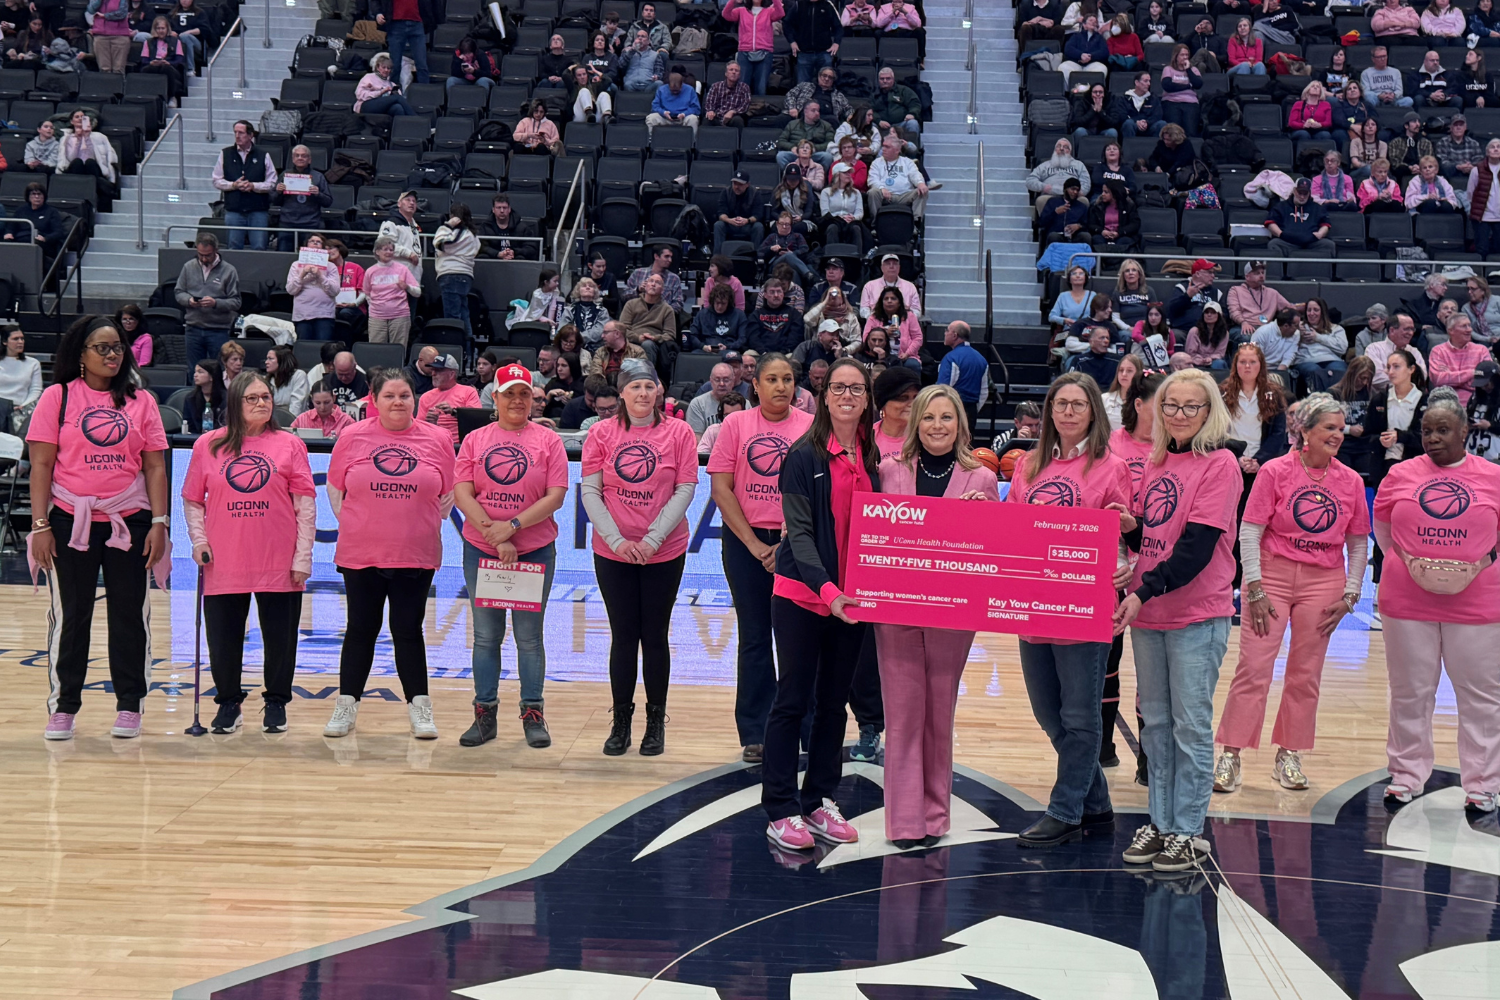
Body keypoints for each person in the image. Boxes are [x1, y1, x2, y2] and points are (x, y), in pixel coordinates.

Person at [1114, 369, 1241, 871]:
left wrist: (1143, 590)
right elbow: (1158, 536)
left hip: (1194, 614)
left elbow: (1195, 549)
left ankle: (1188, 830)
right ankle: (1161, 822)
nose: (1181, 415)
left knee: (1190, 726)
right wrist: (1133, 529)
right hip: (1151, 613)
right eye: (1172, 406)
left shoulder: (1222, 464)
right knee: (1157, 725)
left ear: (1210, 412)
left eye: (1192, 406)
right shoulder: (1158, 460)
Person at [1214, 393, 1369, 794]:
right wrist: (1254, 586)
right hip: (1272, 578)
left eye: (1340, 428)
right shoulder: (1275, 471)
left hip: (1325, 581)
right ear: (1305, 431)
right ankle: (1231, 754)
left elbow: (1357, 542)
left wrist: (1352, 593)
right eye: (1329, 428)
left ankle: (1290, 754)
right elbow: (1250, 529)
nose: (1338, 435)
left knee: (1306, 673)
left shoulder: (1350, 480)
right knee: (1254, 667)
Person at [1005, 373, 1130, 846]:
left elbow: (1126, 531)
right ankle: (1095, 802)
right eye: (1060, 404)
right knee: (1048, 712)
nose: (1069, 413)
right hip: (1032, 603)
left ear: (1093, 411)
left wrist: (1126, 565)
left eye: (1078, 404)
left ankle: (1066, 809)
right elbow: (1012, 530)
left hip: (1084, 605)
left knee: (1079, 716)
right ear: (1049, 411)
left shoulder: (1111, 466)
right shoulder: (1029, 466)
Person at [31, 316, 169, 741]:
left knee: (129, 615)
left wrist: (160, 522)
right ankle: (64, 706)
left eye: (118, 348)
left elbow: (154, 466)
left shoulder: (140, 401)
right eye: (102, 348)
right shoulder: (58, 397)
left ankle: (130, 704)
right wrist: (40, 525)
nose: (112, 355)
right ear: (81, 354)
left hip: (129, 518)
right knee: (72, 615)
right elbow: (41, 464)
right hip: (71, 518)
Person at [761, 357, 877, 850]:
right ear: (824, 396)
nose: (848, 395)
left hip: (853, 603)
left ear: (866, 399)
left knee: (833, 705)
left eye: (857, 388)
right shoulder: (802, 455)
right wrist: (828, 593)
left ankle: (818, 801)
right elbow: (800, 537)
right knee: (793, 701)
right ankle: (780, 808)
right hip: (804, 598)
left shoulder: (876, 456)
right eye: (839, 387)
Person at [1373, 388, 1500, 811]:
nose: (1433, 439)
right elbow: (1384, 528)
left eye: (1443, 430)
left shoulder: (1493, 476)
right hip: (1407, 602)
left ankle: (1483, 784)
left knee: (1480, 696)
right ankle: (1406, 775)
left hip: (1479, 605)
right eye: (1427, 431)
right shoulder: (1401, 474)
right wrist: (1415, 565)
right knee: (1410, 691)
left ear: (1464, 431)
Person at [323, 370, 454, 741]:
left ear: (416, 400)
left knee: (408, 631)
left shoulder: (439, 439)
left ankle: (420, 710)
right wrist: (363, 523)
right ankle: (345, 706)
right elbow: (336, 490)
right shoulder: (351, 436)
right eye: (389, 396)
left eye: (405, 396)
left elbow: (446, 496)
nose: (398, 402)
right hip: (361, 552)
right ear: (374, 400)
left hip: (415, 553)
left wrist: (413, 521)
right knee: (360, 630)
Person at [182, 371, 315, 735]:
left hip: (278, 558)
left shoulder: (290, 445)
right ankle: (228, 702)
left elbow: (305, 506)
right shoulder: (208, 445)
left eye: (266, 397)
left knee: (280, 638)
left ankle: (276, 703)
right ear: (235, 403)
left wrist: (303, 557)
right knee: (223, 638)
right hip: (225, 558)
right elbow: (193, 500)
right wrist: (198, 541)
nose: (261, 403)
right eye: (252, 398)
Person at [581, 359, 697, 756]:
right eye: (635, 388)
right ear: (622, 393)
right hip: (613, 552)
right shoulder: (600, 433)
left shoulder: (679, 432)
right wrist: (616, 541)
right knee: (624, 636)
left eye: (649, 386)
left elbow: (684, 490)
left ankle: (654, 722)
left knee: (655, 636)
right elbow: (591, 492)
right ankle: (621, 722)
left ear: (659, 389)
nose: (643, 394)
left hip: (663, 551)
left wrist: (652, 539)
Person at [452, 363, 569, 749]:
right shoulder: (475, 440)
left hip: (534, 549)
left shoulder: (548, 441)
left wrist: (512, 527)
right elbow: (463, 492)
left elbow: (555, 496)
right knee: (486, 637)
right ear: (495, 398)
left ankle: (532, 713)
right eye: (510, 393)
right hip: (482, 549)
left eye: (525, 394)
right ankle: (484, 714)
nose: (518, 400)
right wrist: (494, 532)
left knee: (529, 638)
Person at [707, 353, 812, 763]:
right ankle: (756, 730)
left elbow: (814, 492)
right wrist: (755, 546)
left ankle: (804, 727)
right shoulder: (735, 425)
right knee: (754, 637)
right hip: (745, 543)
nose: (781, 387)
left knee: (800, 641)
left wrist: (787, 544)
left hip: (799, 542)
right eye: (772, 379)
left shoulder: (809, 426)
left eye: (788, 379)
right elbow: (721, 489)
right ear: (756, 384)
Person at [175, 232, 240, 368]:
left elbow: (236, 302)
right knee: (194, 371)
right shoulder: (188, 267)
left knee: (221, 370)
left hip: (218, 330)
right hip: (193, 328)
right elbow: (179, 292)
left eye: (208, 255)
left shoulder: (229, 271)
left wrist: (215, 303)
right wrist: (189, 300)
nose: (204, 259)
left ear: (216, 250)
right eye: (200, 255)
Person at [209, 121, 276, 250]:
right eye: (235, 132)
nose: (237, 136)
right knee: (234, 247)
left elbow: (272, 183)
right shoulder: (225, 153)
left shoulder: (263, 155)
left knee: (259, 247)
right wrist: (233, 185)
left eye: (241, 133)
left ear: (250, 135)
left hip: (258, 210)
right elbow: (216, 180)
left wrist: (253, 186)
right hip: (234, 210)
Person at [364, 236, 422, 349]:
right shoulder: (370, 271)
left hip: (400, 316)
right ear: (377, 251)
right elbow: (367, 293)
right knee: (375, 349)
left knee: (398, 349)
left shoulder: (402, 269)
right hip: (377, 317)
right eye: (385, 249)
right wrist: (376, 306)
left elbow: (417, 292)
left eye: (391, 250)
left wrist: (407, 287)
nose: (389, 252)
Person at [433, 202, 480, 338]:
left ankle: (455, 348)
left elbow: (439, 243)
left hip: (452, 275)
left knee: (452, 318)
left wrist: (447, 226)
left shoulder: (458, 233)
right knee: (463, 316)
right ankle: (467, 351)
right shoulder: (472, 235)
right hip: (463, 277)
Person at [274, 145, 332, 252]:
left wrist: (318, 194)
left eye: (304, 156)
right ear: (293, 159)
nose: (300, 158)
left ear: (309, 159)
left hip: (310, 224)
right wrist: (278, 192)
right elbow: (274, 201)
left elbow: (328, 202)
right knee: (282, 259)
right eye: (297, 156)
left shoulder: (318, 177)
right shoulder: (285, 175)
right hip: (287, 224)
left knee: (310, 259)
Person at [286, 233, 339, 344]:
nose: (315, 243)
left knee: (323, 347)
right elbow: (290, 290)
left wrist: (320, 276)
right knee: (304, 347)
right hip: (302, 315)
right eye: (312, 241)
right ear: (306, 245)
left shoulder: (331, 266)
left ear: (323, 247)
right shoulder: (295, 265)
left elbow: (335, 291)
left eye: (318, 242)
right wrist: (302, 274)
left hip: (325, 314)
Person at [417, 354, 481, 446]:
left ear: (452, 374)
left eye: (438, 370)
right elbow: (418, 429)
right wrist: (429, 423)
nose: (433, 374)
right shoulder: (425, 397)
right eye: (433, 370)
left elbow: (476, 420)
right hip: (433, 444)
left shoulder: (468, 392)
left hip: (460, 445)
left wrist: (454, 412)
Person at [721, 0, 782, 95]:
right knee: (742, 87)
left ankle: (759, 109)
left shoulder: (769, 11)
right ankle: (741, 109)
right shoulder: (741, 10)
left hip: (765, 52)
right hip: (744, 51)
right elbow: (726, 15)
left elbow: (780, 13)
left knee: (761, 87)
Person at [867, 131, 930, 222]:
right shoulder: (877, 163)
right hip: (885, 195)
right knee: (873, 192)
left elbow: (915, 175)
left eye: (887, 147)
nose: (883, 149)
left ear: (897, 150)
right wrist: (881, 188)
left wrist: (920, 183)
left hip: (904, 195)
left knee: (922, 191)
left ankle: (915, 223)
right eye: (883, 146)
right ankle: (875, 223)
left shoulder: (907, 162)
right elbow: (872, 180)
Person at [1430, 312, 1490, 407]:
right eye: (1464, 326)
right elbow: (1439, 380)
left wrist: (1451, 378)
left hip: (1476, 404)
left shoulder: (1482, 350)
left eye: (1469, 326)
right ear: (1451, 331)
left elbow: (1487, 381)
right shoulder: (1438, 351)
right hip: (1446, 404)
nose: (1469, 330)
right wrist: (1473, 372)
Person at [937, 321, 987, 429]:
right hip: (972, 410)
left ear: (954, 335)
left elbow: (942, 389)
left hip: (953, 409)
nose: (945, 333)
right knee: (968, 443)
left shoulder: (951, 358)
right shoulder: (981, 359)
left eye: (947, 330)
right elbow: (984, 392)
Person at [1293, 297, 1350, 392]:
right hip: (1307, 361)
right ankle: (1318, 403)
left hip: (1332, 360)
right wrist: (1297, 334)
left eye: (1316, 310)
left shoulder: (1336, 328)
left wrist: (1318, 338)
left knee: (1339, 370)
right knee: (1314, 371)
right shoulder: (1298, 327)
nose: (1311, 313)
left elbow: (1342, 349)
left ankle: (1336, 402)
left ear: (1322, 312)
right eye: (1309, 310)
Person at [1266, 178, 1334, 256]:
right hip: (1287, 242)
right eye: (1299, 193)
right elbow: (1271, 222)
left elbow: (1325, 224)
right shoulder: (1281, 206)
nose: (1302, 196)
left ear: (1309, 193)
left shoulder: (1318, 208)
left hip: (1312, 242)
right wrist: (1280, 234)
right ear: (1294, 191)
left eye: (1305, 193)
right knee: (1274, 244)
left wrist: (1320, 234)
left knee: (1328, 245)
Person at [372, 0, 434, 85]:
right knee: (395, 65)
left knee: (421, 64)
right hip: (395, 24)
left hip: (417, 23)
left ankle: (423, 93)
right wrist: (378, 13)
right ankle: (393, 92)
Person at [784, 0, 842, 85]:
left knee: (826, 86)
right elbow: (787, 24)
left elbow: (838, 27)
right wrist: (792, 41)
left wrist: (836, 43)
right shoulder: (798, 5)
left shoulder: (828, 5)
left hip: (824, 52)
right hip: (804, 52)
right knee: (803, 87)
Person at [714, 170, 766, 254]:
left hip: (747, 225)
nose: (737, 187)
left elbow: (758, 214)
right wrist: (729, 220)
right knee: (718, 225)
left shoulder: (755, 194)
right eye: (735, 184)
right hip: (730, 224)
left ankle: (757, 257)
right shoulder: (726, 192)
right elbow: (721, 213)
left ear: (747, 184)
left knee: (758, 227)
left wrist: (747, 220)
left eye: (740, 184)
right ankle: (717, 257)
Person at [137, 16, 185, 106]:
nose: (161, 31)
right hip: (153, 65)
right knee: (148, 69)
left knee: (166, 68)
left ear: (167, 29)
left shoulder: (175, 41)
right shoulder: (148, 42)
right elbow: (144, 59)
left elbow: (179, 59)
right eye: (158, 28)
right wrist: (151, 63)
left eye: (163, 28)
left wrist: (169, 63)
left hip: (170, 66)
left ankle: (172, 97)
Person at [478, 194, 540, 262]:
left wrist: (514, 252)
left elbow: (531, 248)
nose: (502, 211)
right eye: (498, 208)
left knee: (521, 258)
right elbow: (481, 247)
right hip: (493, 260)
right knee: (483, 257)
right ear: (493, 210)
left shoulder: (522, 228)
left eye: (504, 208)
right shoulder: (485, 227)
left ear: (509, 209)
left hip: (515, 260)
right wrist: (497, 254)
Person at [1158, 44, 1203, 136]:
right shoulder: (1168, 69)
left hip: (1190, 103)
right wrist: (1188, 86)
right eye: (1182, 55)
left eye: (1187, 55)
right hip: (1171, 101)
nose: (1185, 57)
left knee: (1191, 131)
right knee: (1174, 132)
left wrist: (1188, 70)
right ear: (1176, 56)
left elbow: (1198, 84)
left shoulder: (1193, 70)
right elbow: (1168, 86)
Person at [16, 182, 66, 260]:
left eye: (39, 194)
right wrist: (9, 233)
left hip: (43, 243)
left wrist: (45, 238)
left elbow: (58, 232)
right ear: (28, 196)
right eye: (33, 194)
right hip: (22, 240)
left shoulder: (51, 211)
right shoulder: (21, 210)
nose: (36, 197)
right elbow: (11, 227)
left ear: (44, 196)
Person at [646, 71, 700, 136]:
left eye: (677, 90)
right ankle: (650, 142)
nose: (675, 92)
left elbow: (696, 108)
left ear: (681, 84)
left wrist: (684, 114)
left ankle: (692, 143)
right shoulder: (661, 90)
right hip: (665, 118)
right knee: (651, 118)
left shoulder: (690, 90)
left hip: (683, 118)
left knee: (693, 119)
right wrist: (663, 112)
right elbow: (655, 106)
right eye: (672, 90)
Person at [263, 345, 309, 416]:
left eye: (270, 359)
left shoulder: (298, 375)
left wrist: (287, 423)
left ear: (282, 361)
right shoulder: (266, 379)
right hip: (273, 420)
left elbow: (296, 406)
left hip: (295, 421)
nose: (266, 362)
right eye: (267, 358)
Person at [703, 59, 750, 128]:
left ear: (739, 75)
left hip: (733, 117)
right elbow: (709, 103)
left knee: (738, 120)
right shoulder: (716, 86)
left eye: (736, 71)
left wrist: (733, 112)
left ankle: (740, 138)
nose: (734, 72)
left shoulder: (744, 87)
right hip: (717, 117)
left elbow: (745, 106)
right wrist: (710, 111)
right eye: (731, 70)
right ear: (726, 73)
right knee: (707, 118)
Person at [183, 360, 226, 434]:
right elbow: (189, 424)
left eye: (200, 372)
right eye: (195, 372)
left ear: (212, 377)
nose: (195, 375)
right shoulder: (190, 398)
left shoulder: (227, 398)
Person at [323, 351, 369, 416]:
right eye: (340, 374)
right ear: (335, 367)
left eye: (347, 374)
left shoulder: (365, 383)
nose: (344, 378)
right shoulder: (326, 381)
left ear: (354, 366)